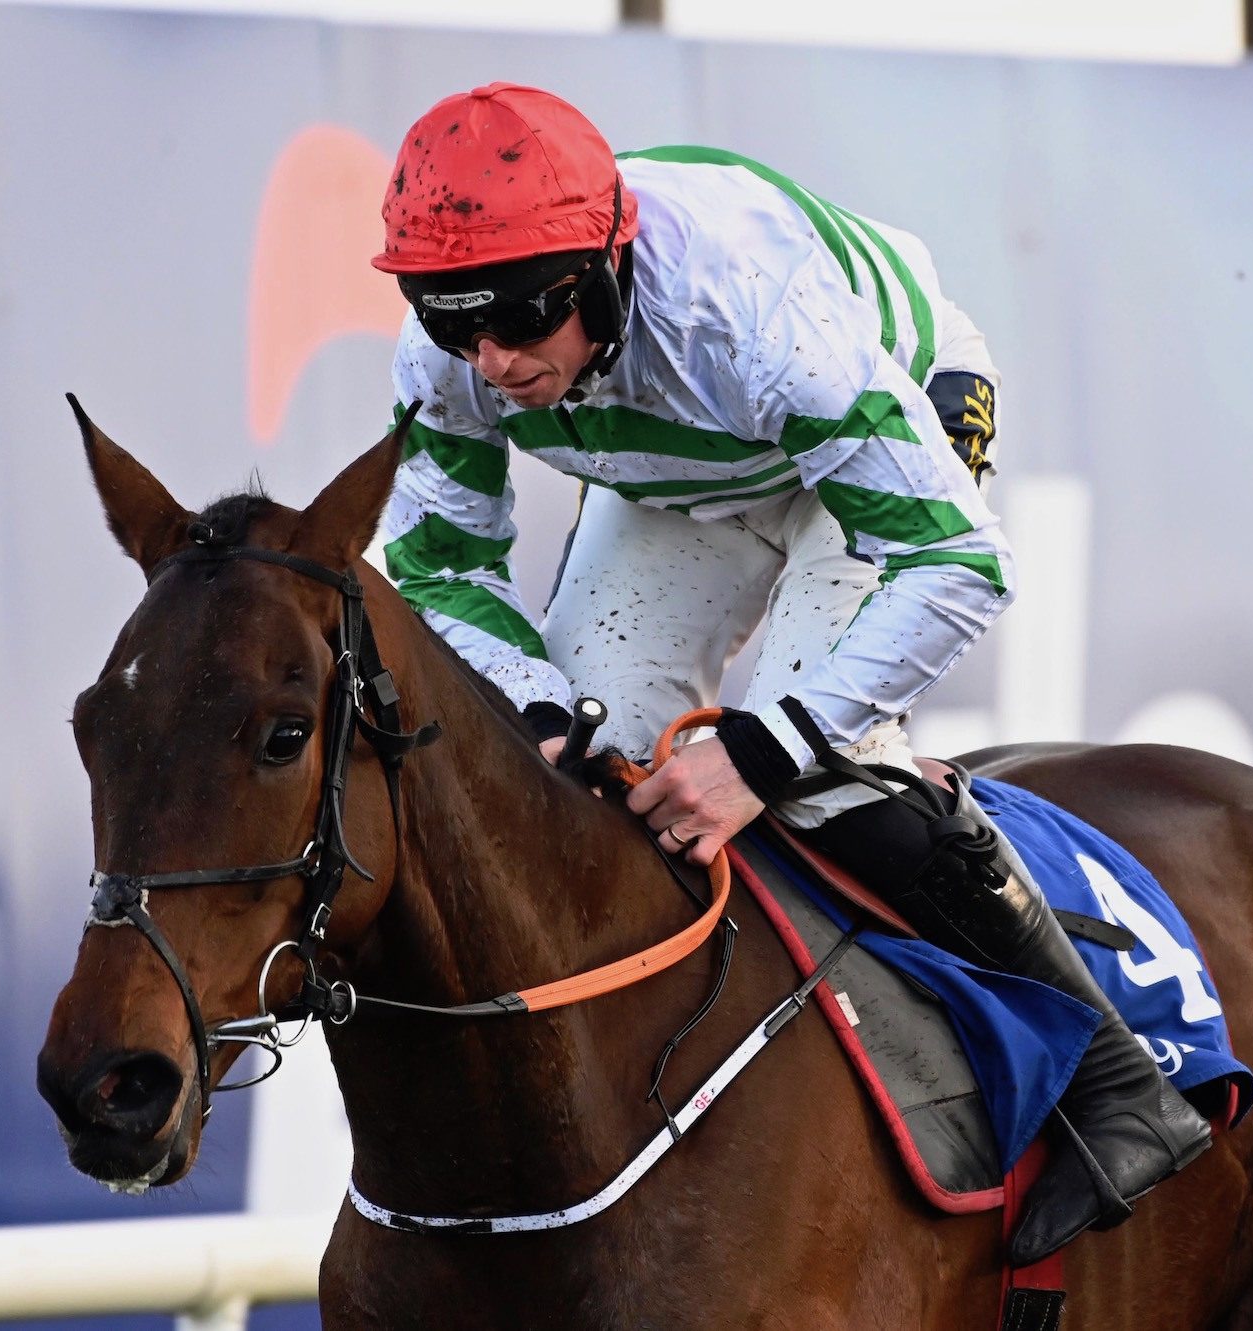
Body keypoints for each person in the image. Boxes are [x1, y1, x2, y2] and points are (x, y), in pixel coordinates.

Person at [372, 82, 1208, 1257]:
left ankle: (1113, 1079)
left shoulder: (750, 316)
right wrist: (544, 708)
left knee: (819, 769)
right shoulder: (452, 351)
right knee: (573, 767)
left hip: (882, 424)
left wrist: (761, 751)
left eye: (520, 317)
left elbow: (959, 562)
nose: (495, 360)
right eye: (455, 322)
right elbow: (437, 566)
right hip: (693, 481)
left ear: (607, 268)